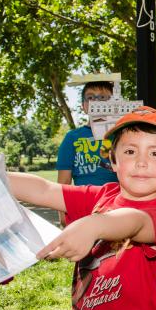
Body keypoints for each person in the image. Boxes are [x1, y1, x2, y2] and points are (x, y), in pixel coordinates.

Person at [8, 106, 156, 310]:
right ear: (113, 160)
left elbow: (136, 222)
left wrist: (94, 225)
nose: (141, 161)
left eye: (155, 153)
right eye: (130, 151)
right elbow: (45, 190)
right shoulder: (102, 196)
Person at [56, 81, 118, 222]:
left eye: (103, 98)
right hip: (82, 206)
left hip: (115, 206)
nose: (96, 102)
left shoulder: (122, 136)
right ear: (84, 106)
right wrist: (62, 217)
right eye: (90, 98)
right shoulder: (72, 137)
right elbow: (63, 182)